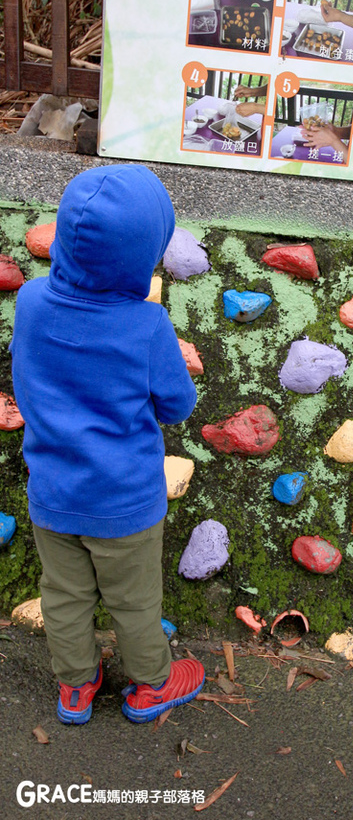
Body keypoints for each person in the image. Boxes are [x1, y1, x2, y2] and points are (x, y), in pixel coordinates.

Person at [10, 164, 205, 725]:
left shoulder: (31, 300)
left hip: (53, 492)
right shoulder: (147, 325)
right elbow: (177, 405)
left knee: (64, 596)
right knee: (134, 600)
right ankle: (153, 683)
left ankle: (75, 687)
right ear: (142, 257)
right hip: (124, 502)